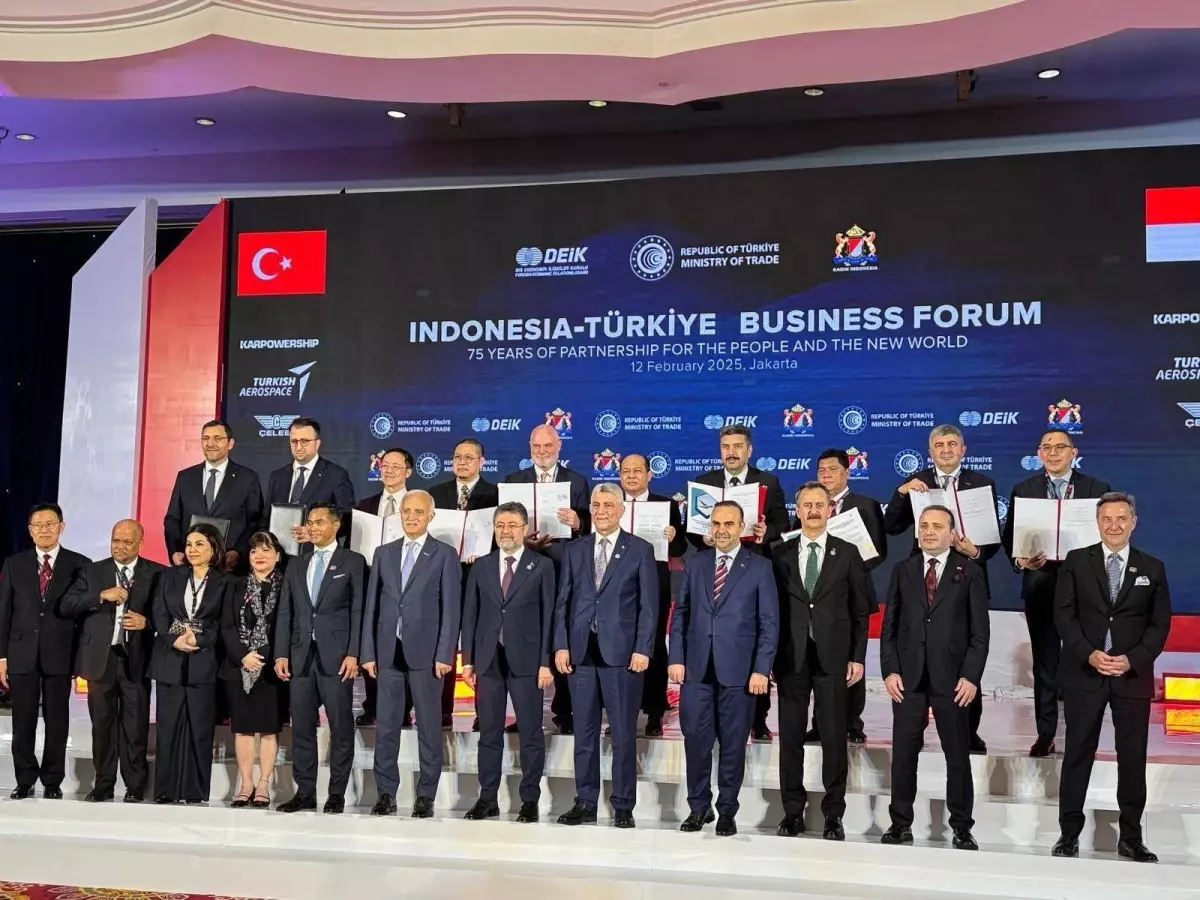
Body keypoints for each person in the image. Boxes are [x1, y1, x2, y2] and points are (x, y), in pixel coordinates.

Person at [1052, 492, 1170, 863]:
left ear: (1133, 522)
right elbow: (1064, 615)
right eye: (1107, 518)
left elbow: (1159, 625)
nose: (1114, 525)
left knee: (1132, 757)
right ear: (1098, 522)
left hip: (1130, 677)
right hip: (1084, 672)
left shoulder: (1153, 568)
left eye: (1121, 518)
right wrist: (1089, 653)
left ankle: (1131, 838)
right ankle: (1068, 834)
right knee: (1077, 753)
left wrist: (1132, 660)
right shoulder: (1076, 562)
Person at [879, 505, 989, 850]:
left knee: (957, 756)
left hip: (953, 681)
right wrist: (890, 670)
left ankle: (961, 827)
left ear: (952, 534)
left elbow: (980, 633)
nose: (929, 532)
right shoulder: (903, 570)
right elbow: (889, 626)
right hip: (908, 679)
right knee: (903, 756)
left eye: (937, 526)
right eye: (924, 526)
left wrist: (971, 677)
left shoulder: (969, 572)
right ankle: (900, 823)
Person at [884, 423, 999, 752]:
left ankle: (969, 730)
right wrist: (901, 493)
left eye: (952, 444)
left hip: (965, 579)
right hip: (923, 580)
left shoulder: (982, 483)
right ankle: (915, 727)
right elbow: (892, 526)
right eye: (939, 445)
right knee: (918, 652)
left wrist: (973, 552)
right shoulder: (916, 482)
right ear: (930, 451)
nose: (946, 449)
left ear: (963, 450)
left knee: (965, 654)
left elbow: (992, 542)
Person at [670, 500, 777, 836]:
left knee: (732, 745)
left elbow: (768, 622)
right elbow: (681, 614)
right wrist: (676, 658)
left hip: (740, 672)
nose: (721, 530)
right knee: (695, 742)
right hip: (696, 671)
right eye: (716, 523)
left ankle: (727, 810)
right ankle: (698, 807)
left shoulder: (760, 567)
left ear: (741, 527)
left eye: (729, 524)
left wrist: (761, 669)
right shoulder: (695, 563)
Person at [554, 483, 658, 828]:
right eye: (596, 505)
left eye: (608, 505)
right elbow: (563, 602)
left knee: (623, 734)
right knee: (584, 733)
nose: (601, 511)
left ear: (621, 509)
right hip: (581, 653)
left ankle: (623, 804)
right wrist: (561, 644)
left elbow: (649, 607)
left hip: (623, 655)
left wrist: (643, 648)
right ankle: (585, 801)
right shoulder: (575, 549)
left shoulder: (640, 549)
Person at [1002, 429, 1110, 757]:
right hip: (1041, 586)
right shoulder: (1025, 489)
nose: (1053, 452)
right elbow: (1010, 539)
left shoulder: (1096, 489)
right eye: (1046, 447)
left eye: (1060, 446)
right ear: (1039, 453)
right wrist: (1021, 560)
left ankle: (1083, 734)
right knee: (1046, 664)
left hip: (1083, 590)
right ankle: (1045, 733)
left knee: (1084, 660)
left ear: (1073, 452)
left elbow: (1108, 537)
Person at [772, 482, 870, 841]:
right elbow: (771, 612)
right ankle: (792, 812)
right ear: (797, 510)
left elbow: (861, 611)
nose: (813, 510)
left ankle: (833, 814)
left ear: (830, 510)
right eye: (807, 505)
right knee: (791, 739)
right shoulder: (779, 553)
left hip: (834, 658)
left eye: (820, 504)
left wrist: (857, 657)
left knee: (833, 738)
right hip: (791, 658)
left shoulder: (848, 552)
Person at [361, 490, 460, 818]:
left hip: (428, 654)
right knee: (386, 727)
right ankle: (386, 793)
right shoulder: (384, 553)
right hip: (388, 651)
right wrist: (368, 651)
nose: (412, 517)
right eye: (407, 511)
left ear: (431, 515)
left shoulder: (444, 554)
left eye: (419, 511)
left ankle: (426, 795)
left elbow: (451, 609)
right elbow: (372, 606)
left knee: (429, 727)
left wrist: (445, 652)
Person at [688, 424, 789, 740]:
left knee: (755, 640)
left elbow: (782, 523)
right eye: (725, 447)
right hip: (715, 571)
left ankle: (758, 718)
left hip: (752, 572)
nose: (730, 452)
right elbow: (692, 530)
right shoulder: (705, 482)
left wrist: (766, 533)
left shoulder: (768, 481)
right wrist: (704, 537)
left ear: (749, 450)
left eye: (737, 446)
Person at [460, 502, 555, 823]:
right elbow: (470, 614)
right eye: (500, 525)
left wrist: (545, 662)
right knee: (488, 732)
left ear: (525, 529)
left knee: (530, 733)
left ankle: (529, 800)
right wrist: (468, 660)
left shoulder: (541, 566)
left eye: (512, 525)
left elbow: (549, 616)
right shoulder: (482, 565)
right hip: (488, 660)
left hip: (528, 660)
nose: (506, 531)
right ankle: (487, 798)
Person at [61, 519, 164, 803]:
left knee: (135, 727)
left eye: (127, 542)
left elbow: (168, 614)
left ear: (141, 543)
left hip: (136, 660)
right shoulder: (92, 571)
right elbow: (67, 605)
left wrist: (147, 623)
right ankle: (103, 784)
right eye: (115, 541)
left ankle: (135, 786)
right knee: (102, 726)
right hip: (100, 661)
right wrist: (100, 596)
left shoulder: (157, 573)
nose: (119, 547)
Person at [274, 504, 366, 814]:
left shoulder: (352, 561)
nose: (312, 527)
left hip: (337, 657)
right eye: (310, 522)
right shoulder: (296, 563)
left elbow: (358, 610)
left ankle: (336, 794)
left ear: (336, 526)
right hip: (300, 656)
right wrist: (281, 653)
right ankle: (305, 792)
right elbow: (286, 611)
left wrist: (354, 652)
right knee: (301, 726)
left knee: (340, 727)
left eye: (319, 522)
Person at [503, 423, 591, 734]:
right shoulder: (513, 481)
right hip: (525, 569)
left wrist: (578, 521)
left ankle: (564, 712)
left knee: (562, 639)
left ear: (559, 446)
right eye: (537, 447)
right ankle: (526, 714)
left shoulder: (577, 481)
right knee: (528, 640)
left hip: (563, 569)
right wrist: (523, 541)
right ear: (530, 448)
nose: (542, 452)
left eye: (548, 446)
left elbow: (588, 529)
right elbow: (504, 529)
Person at [0, 503, 90, 800]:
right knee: (22, 721)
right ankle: (24, 779)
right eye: (37, 525)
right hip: (21, 653)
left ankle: (52, 781)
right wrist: (2, 657)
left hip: (61, 653)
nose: (44, 530)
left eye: (50, 524)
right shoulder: (13, 564)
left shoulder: (80, 564)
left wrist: (81, 657)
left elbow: (84, 618)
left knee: (57, 720)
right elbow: (3, 612)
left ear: (61, 527)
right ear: (30, 530)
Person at [802, 448, 887, 745]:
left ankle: (852, 722)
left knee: (852, 658)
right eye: (821, 470)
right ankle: (819, 723)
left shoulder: (865, 505)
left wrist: (847, 563)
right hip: (816, 595)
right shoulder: (810, 506)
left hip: (852, 593)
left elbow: (879, 552)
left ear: (847, 473)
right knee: (817, 659)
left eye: (832, 469)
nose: (826, 474)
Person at [151, 523, 235, 804]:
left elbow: (224, 622)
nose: (192, 550)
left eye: (199, 544)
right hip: (170, 659)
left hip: (204, 661)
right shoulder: (169, 576)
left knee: (200, 730)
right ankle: (165, 790)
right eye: (189, 544)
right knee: (167, 729)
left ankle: (195, 792)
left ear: (214, 549)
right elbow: (159, 613)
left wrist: (199, 639)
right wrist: (173, 639)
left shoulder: (225, 582)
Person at [431, 437, 500, 731]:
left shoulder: (496, 495)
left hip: (481, 578)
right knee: (443, 644)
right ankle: (441, 712)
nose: (462, 462)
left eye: (469, 457)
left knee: (480, 647)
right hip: (443, 579)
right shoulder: (436, 493)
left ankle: (484, 713)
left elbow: (504, 538)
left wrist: (486, 551)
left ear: (482, 462)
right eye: (457, 457)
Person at [619, 453, 687, 736]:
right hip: (618, 584)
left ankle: (655, 712)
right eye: (626, 471)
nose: (631, 476)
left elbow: (681, 548)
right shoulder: (611, 503)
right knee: (620, 645)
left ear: (649, 475)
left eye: (637, 471)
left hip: (654, 581)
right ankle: (623, 711)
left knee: (654, 643)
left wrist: (674, 537)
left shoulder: (666, 505)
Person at [220, 531, 287, 809]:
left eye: (266, 550)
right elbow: (226, 625)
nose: (259, 556)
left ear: (278, 556)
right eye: (254, 551)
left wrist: (270, 657)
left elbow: (287, 626)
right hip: (239, 667)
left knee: (269, 729)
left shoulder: (286, 586)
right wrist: (243, 656)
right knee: (244, 729)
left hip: (272, 668)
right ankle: (246, 784)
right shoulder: (235, 585)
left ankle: (264, 784)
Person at [354, 446, 412, 727]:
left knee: (404, 646)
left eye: (395, 466)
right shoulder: (364, 505)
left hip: (406, 585)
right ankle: (372, 705)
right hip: (371, 583)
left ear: (408, 472)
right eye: (384, 465)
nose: (388, 471)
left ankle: (403, 708)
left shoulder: (417, 505)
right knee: (373, 645)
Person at [164, 419, 264, 573]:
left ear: (230, 443)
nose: (210, 443)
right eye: (206, 438)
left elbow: (255, 521)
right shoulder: (185, 477)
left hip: (230, 569)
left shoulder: (247, 478)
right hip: (190, 566)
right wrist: (175, 551)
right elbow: (172, 519)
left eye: (217, 438)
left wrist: (238, 552)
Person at [266, 417, 355, 549]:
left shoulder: (336, 475)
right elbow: (266, 518)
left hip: (316, 553)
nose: (298, 447)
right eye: (294, 441)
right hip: (281, 554)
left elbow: (347, 519)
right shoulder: (277, 477)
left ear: (317, 443)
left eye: (305, 441)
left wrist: (315, 533)